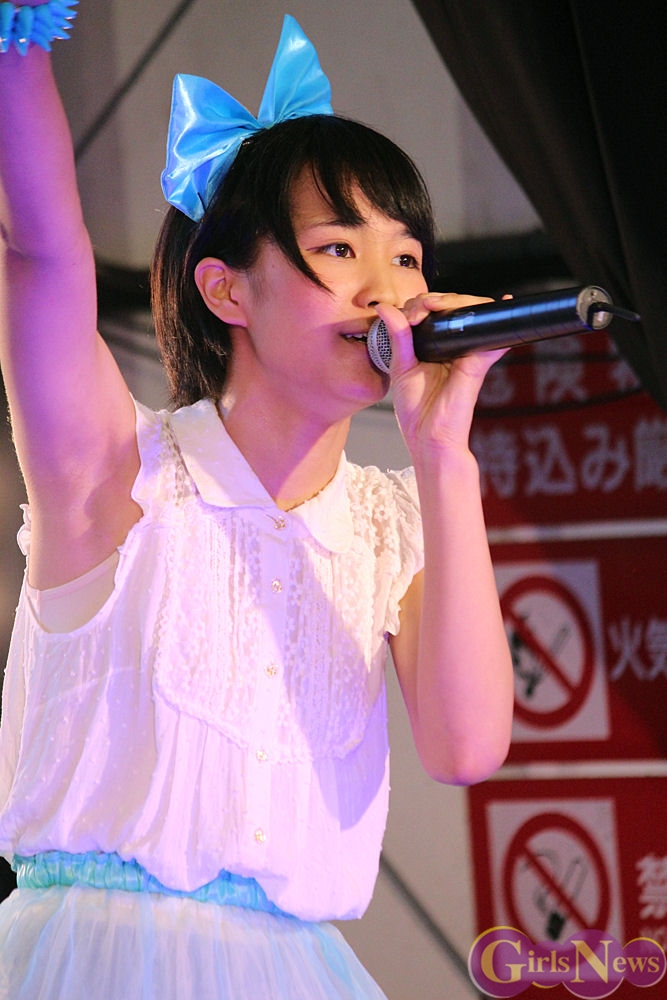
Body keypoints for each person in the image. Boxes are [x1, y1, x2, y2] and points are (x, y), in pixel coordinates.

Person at [0, 7, 514, 998]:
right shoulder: (117, 470)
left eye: (407, 257)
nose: (386, 290)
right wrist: (16, 48)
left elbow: (468, 746)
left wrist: (444, 457)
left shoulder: (392, 522)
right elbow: (42, 255)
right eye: (339, 250)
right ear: (227, 291)